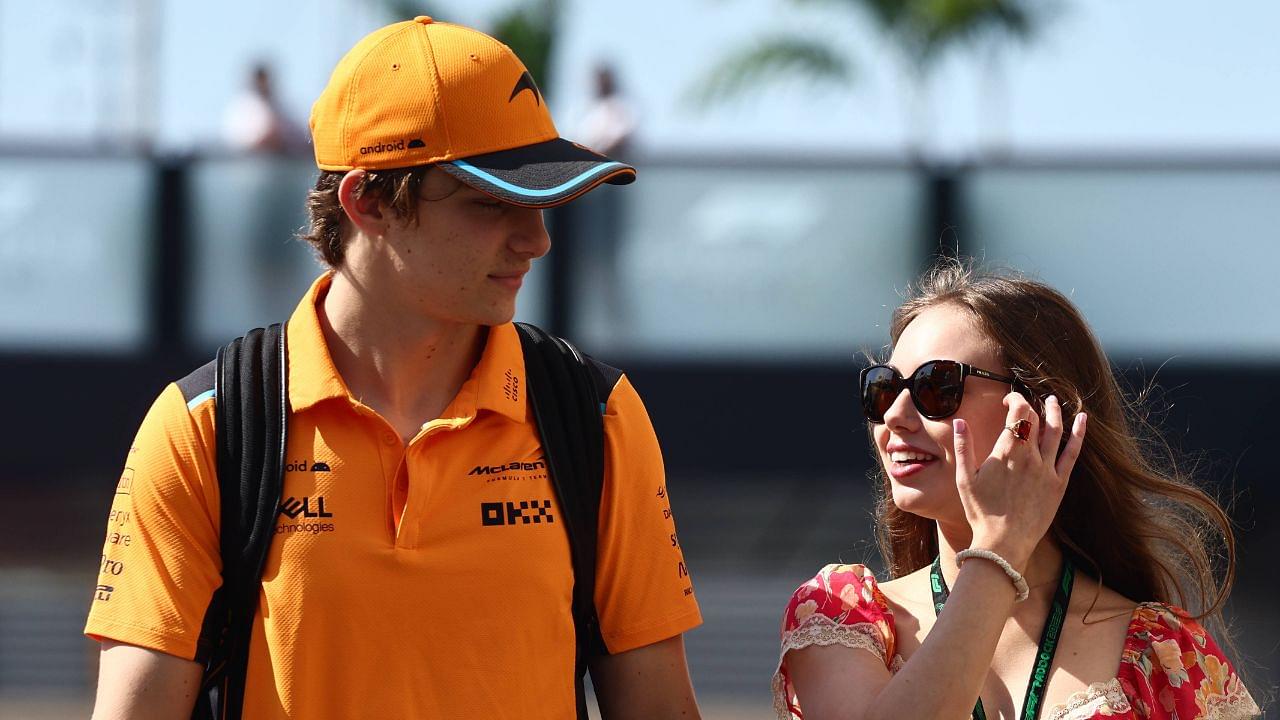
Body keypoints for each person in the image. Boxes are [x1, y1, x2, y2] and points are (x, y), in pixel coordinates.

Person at [86, 17, 702, 720]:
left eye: (545, 204)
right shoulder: (206, 427)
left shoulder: (596, 414)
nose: (537, 240)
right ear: (368, 201)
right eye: (493, 204)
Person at [773, 260, 1260, 719]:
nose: (895, 417)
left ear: (1039, 416)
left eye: (936, 387)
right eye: (883, 389)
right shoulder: (841, 614)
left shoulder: (1164, 650)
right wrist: (999, 545)